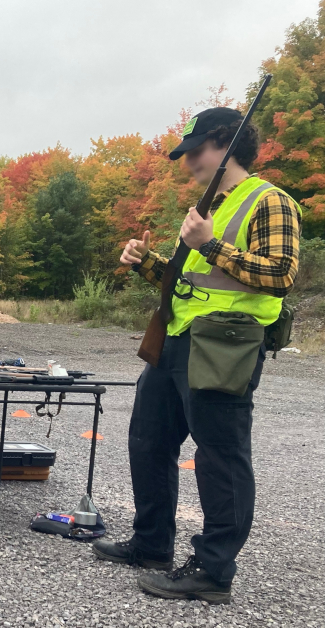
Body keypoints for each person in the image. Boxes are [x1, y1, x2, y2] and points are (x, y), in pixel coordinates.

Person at [94, 107, 302, 604]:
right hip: (177, 339)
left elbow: (280, 274)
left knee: (220, 458)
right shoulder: (211, 206)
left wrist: (209, 246)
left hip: (225, 347)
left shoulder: (271, 201)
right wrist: (149, 263)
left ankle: (212, 571)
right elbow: (191, 284)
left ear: (225, 143)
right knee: (148, 442)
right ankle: (151, 546)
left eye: (195, 151)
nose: (187, 163)